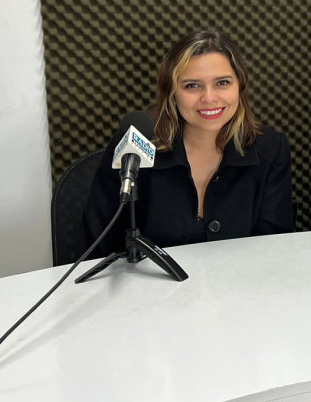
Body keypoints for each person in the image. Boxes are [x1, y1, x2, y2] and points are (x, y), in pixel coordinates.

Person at [84, 30, 293, 257]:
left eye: (222, 83)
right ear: (172, 93)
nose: (209, 98)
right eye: (192, 86)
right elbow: (94, 252)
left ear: (240, 86)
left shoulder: (270, 149)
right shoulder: (134, 147)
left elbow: (275, 251)